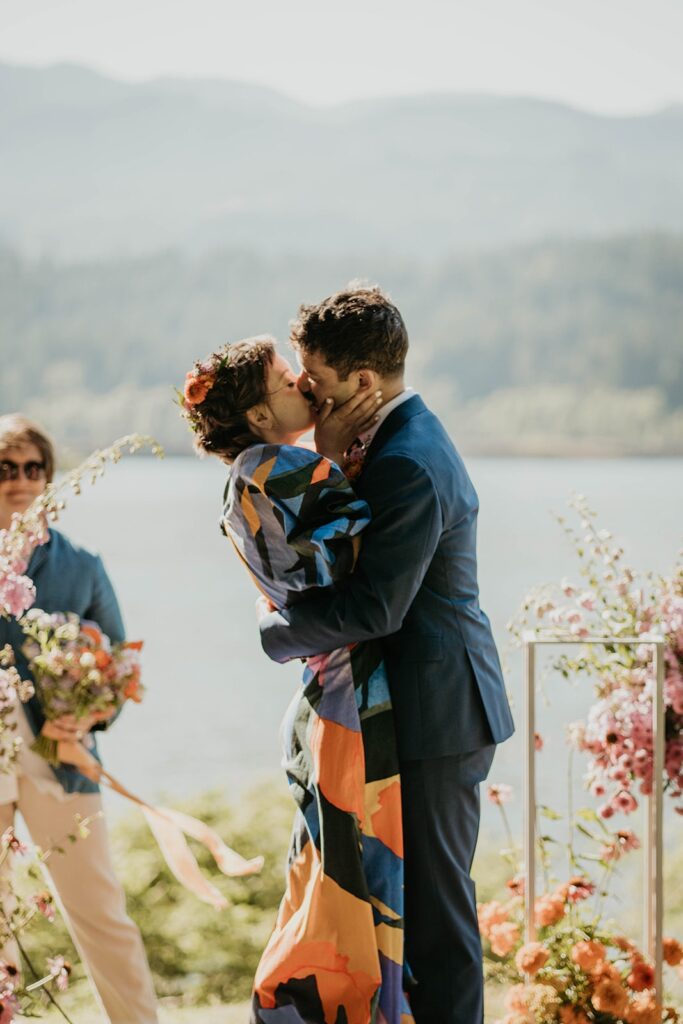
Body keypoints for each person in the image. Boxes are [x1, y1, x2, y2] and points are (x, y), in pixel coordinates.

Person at [257, 285, 515, 1024]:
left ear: (364, 383)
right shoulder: (387, 440)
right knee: (408, 914)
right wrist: (328, 461)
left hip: (438, 710)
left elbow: (375, 607)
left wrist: (274, 632)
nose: (305, 388)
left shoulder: (407, 458)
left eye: (316, 377)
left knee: (435, 920)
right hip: (414, 703)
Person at [180, 336, 414, 1024]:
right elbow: (371, 554)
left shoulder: (255, 471)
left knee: (333, 880)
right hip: (350, 703)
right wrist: (339, 450)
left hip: (330, 694)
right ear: (257, 416)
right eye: (289, 381)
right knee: (354, 891)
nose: (307, 388)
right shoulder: (280, 467)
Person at [0, 414, 159, 1024]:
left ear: (48, 477)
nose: (19, 480)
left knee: (99, 910)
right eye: (5, 468)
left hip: (58, 760)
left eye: (32, 468)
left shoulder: (83, 566)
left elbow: (120, 667)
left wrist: (87, 714)